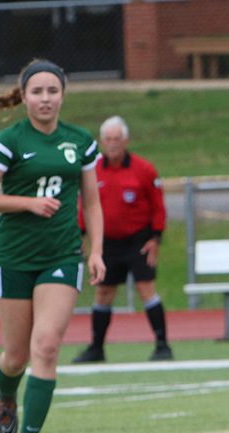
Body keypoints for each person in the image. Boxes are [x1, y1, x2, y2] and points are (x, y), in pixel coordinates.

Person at [0, 59, 105, 433]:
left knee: (46, 346)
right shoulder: (11, 139)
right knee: (16, 356)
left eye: (52, 91)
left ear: (63, 94)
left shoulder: (80, 140)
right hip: (13, 256)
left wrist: (95, 250)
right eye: (37, 92)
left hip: (61, 256)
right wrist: (28, 202)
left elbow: (93, 203)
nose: (45, 99)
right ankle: (7, 394)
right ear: (23, 96)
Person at [72, 116, 172, 363]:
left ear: (125, 140)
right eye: (108, 139)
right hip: (106, 242)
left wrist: (155, 238)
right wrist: (81, 234)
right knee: (103, 293)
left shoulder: (143, 169)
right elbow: (85, 204)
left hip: (138, 241)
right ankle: (96, 348)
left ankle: (162, 345)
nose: (113, 143)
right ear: (102, 142)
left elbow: (158, 206)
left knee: (146, 290)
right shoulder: (92, 170)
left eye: (117, 139)